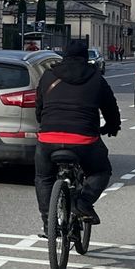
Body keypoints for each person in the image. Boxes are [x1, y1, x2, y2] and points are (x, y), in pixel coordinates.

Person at [33, 39, 120, 233]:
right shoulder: (96, 78)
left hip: (48, 139)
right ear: (85, 57)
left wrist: (45, 124)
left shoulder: (48, 76)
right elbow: (110, 107)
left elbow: (39, 107)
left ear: (64, 55)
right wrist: (113, 126)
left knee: (43, 177)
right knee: (100, 172)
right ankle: (83, 202)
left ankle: (49, 223)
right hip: (84, 140)